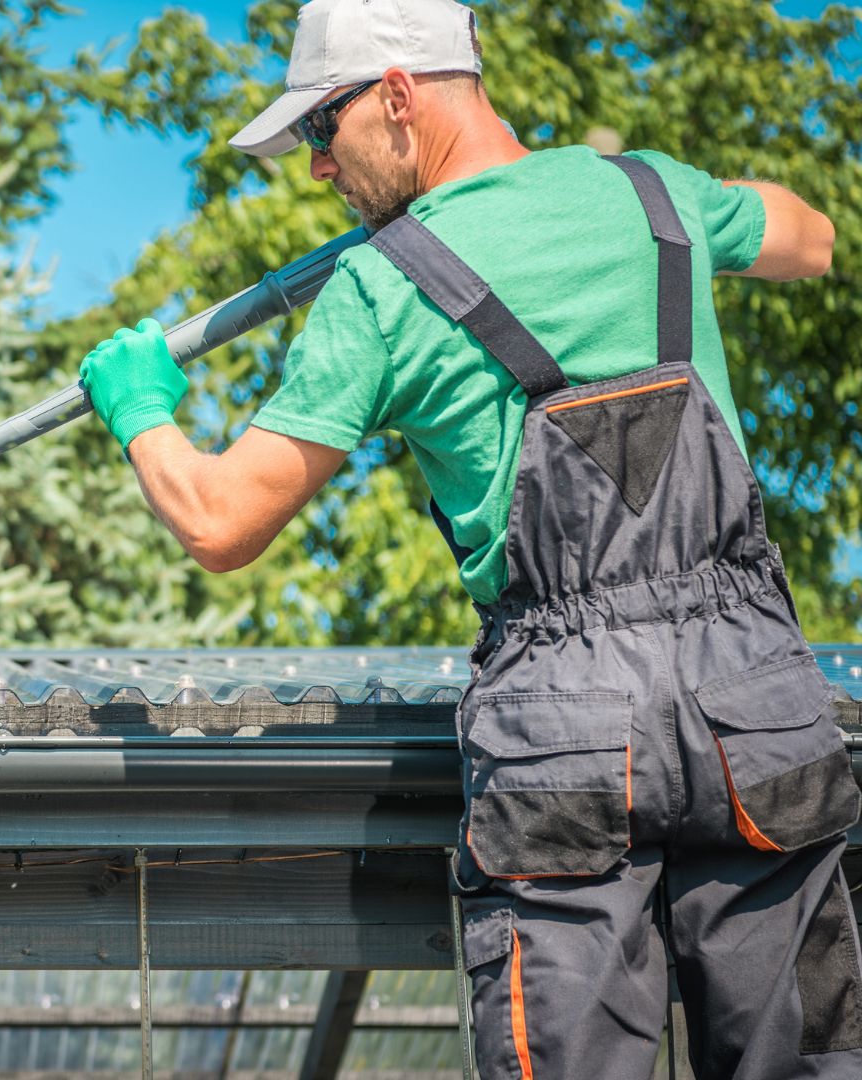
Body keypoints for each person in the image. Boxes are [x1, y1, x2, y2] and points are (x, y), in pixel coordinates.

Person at [75, 0, 854, 1075]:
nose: (315, 168)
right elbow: (811, 238)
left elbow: (218, 521)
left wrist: (141, 412)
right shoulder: (653, 196)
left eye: (318, 130)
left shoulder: (382, 288)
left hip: (570, 731)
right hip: (754, 698)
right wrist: (677, 206)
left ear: (398, 95)